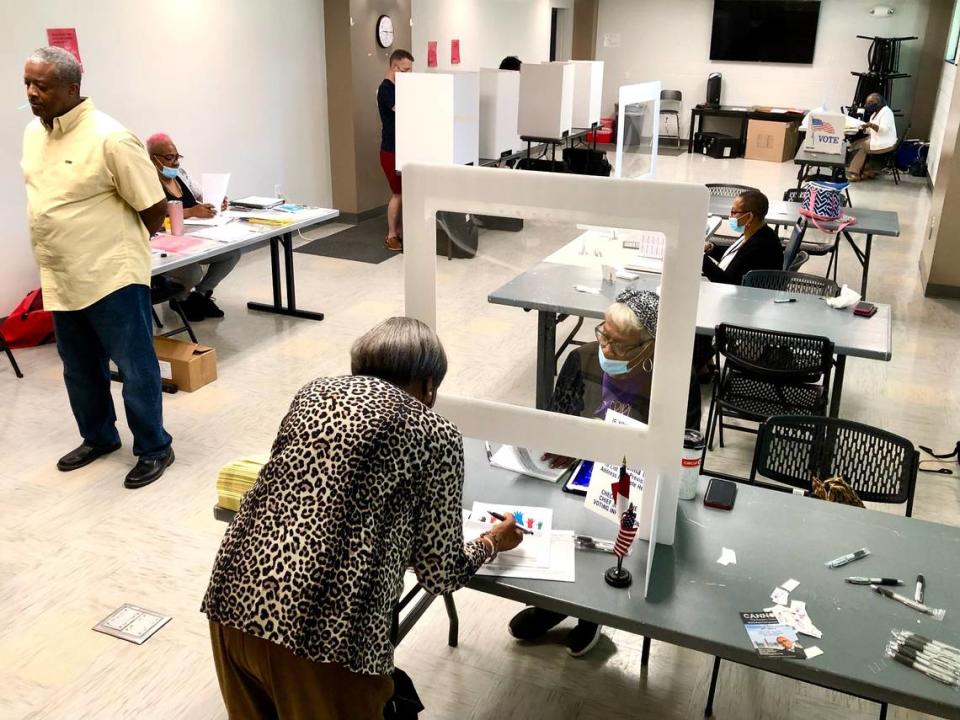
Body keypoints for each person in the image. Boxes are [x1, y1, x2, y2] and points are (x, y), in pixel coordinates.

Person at [202, 317, 524, 720]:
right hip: (324, 633)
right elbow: (440, 574)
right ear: (428, 384)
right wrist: (492, 541)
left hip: (231, 600)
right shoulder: (436, 433)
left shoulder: (312, 394)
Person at [509, 289, 700, 658]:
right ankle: (558, 603)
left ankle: (588, 614)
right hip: (579, 473)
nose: (606, 349)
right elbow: (557, 423)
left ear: (649, 347)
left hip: (636, 484)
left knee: (615, 532)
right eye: (603, 334)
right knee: (559, 523)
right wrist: (563, 443)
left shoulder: (675, 382)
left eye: (619, 344)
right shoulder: (580, 360)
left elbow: (682, 446)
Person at [21, 46, 174, 489]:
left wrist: (116, 247)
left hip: (112, 275)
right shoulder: (34, 133)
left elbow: (152, 206)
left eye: (41, 86)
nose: (32, 93)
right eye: (27, 84)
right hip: (61, 274)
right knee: (79, 367)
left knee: (134, 367)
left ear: (72, 89)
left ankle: (154, 446)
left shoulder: (110, 137)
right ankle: (99, 437)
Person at [146, 133, 240, 321]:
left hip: (196, 236)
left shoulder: (181, 175)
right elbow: (154, 213)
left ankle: (200, 295)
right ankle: (181, 300)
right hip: (166, 244)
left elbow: (201, 196)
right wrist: (191, 211)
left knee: (232, 253)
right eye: (169, 157)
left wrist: (215, 201)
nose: (175, 163)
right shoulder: (147, 181)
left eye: (177, 156)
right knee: (193, 273)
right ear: (153, 159)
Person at [702, 189, 782, 285]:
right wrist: (711, 248)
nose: (730, 216)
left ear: (750, 216)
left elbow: (725, 281)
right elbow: (734, 258)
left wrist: (700, 257)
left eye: (734, 212)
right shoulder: (754, 232)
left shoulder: (762, 246)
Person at [378, 49, 414, 252]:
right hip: (390, 150)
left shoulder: (400, 87)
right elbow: (402, 110)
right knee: (397, 193)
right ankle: (391, 234)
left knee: (404, 192)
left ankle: (399, 231)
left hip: (403, 148)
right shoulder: (386, 89)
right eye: (405, 70)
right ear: (394, 67)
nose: (408, 74)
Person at [847, 93, 897, 182]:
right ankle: (867, 170)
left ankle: (855, 173)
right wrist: (863, 128)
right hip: (877, 138)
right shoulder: (874, 114)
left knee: (863, 146)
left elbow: (884, 130)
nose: (868, 104)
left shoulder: (886, 112)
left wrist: (871, 125)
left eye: (871, 102)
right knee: (854, 145)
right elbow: (871, 131)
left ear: (879, 102)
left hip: (886, 142)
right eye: (867, 102)